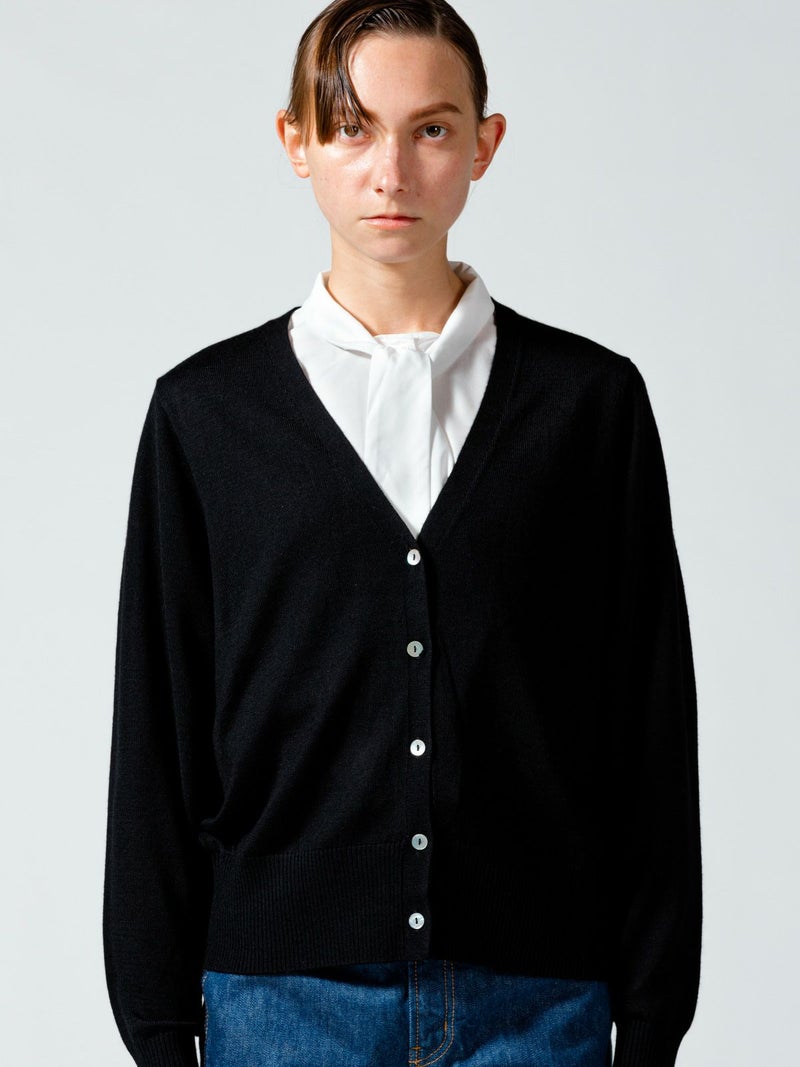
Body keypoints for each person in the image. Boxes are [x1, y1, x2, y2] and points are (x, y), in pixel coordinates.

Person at [102, 2, 702, 1065]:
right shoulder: (207, 415)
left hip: (537, 1003)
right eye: (350, 128)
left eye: (430, 129)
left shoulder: (588, 407)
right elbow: (160, 725)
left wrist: (651, 1013)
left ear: (484, 143)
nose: (391, 171)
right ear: (295, 141)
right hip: (282, 1007)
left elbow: (646, 723)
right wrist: (156, 1021)